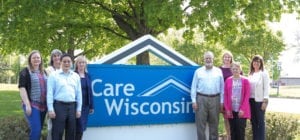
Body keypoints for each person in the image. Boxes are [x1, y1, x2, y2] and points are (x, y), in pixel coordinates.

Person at [47, 54, 82, 140]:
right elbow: (50, 93)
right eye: (64, 61)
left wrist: (78, 109)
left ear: (72, 63)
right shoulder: (53, 75)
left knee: (71, 133)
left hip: (72, 107)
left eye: (68, 61)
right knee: (57, 132)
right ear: (60, 62)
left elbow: (79, 93)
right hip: (58, 106)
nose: (66, 63)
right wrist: (50, 109)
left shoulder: (76, 76)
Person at [191, 51, 224, 140]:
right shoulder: (198, 71)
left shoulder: (218, 71)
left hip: (215, 99)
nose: (208, 60)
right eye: (206, 58)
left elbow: (222, 88)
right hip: (201, 99)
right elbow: (193, 87)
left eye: (210, 58)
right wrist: (194, 101)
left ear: (213, 59)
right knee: (200, 125)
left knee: (214, 124)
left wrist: (221, 102)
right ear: (204, 59)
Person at [18, 50, 47, 140]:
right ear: (30, 59)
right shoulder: (25, 71)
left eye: (38, 57)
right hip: (32, 104)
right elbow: (22, 88)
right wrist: (27, 105)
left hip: (43, 106)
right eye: (34, 57)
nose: (36, 59)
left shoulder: (44, 72)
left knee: (38, 129)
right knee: (36, 129)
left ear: (41, 59)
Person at [224, 62, 251, 140]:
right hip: (231, 111)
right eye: (233, 69)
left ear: (240, 69)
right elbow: (225, 95)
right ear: (231, 70)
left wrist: (242, 109)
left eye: (237, 69)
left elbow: (247, 96)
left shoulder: (245, 80)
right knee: (233, 131)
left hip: (242, 111)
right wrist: (227, 109)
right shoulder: (228, 80)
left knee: (240, 132)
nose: (235, 70)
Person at [248, 55, 270, 140]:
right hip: (251, 100)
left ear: (261, 63)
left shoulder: (264, 73)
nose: (256, 63)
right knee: (253, 122)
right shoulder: (251, 73)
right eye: (254, 61)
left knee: (260, 123)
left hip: (260, 101)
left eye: (258, 61)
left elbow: (267, 88)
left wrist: (265, 101)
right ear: (252, 63)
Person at [74, 56, 94, 140]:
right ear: (76, 64)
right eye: (80, 62)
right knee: (76, 127)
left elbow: (90, 91)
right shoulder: (73, 75)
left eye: (83, 62)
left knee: (82, 128)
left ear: (85, 64)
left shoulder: (88, 76)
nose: (81, 64)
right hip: (75, 106)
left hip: (85, 106)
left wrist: (92, 106)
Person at [46, 49, 62, 140]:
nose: (56, 58)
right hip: (52, 101)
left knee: (61, 127)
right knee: (51, 126)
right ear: (52, 58)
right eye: (54, 56)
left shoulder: (66, 69)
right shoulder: (48, 70)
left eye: (58, 55)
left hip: (63, 102)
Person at [219, 51, 234, 140]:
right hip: (224, 96)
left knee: (234, 116)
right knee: (226, 117)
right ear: (223, 58)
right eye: (225, 57)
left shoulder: (235, 68)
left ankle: (233, 135)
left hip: (234, 96)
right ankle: (228, 136)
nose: (227, 58)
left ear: (231, 58)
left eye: (229, 57)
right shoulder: (219, 69)